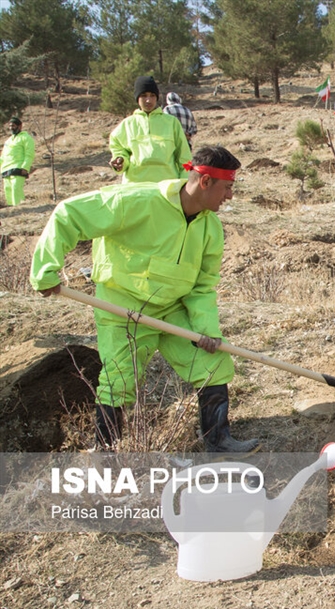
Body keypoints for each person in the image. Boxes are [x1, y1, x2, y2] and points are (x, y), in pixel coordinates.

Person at [30, 146, 259, 454]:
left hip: (172, 309)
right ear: (205, 182)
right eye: (227, 187)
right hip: (123, 307)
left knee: (213, 364)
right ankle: (106, 455)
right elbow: (69, 214)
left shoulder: (210, 227)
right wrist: (45, 269)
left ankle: (218, 442)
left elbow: (204, 285)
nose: (230, 196)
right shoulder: (137, 201)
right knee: (119, 382)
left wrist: (207, 329)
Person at [109, 76, 191, 184]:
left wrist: (184, 183)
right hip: (135, 188)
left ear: (157, 97)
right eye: (143, 96)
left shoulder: (171, 123)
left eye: (152, 95)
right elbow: (119, 150)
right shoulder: (127, 124)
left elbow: (185, 158)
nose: (148, 100)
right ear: (137, 98)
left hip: (167, 189)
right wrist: (120, 161)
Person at [1, 117, 35, 206]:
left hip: (18, 167)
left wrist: (25, 167)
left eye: (13, 125)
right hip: (6, 169)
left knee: (16, 188)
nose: (11, 127)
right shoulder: (8, 141)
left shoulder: (26, 138)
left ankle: (20, 207)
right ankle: (12, 209)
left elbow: (29, 154)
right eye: (10, 126)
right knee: (8, 189)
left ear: (20, 126)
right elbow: (3, 156)